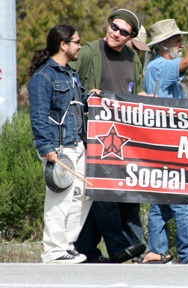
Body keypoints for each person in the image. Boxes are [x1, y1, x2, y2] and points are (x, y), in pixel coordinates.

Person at [70, 9, 147, 263]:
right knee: (103, 191)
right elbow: (65, 80)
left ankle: (86, 249)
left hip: (123, 139)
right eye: (114, 26)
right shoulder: (91, 51)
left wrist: (144, 99)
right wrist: (84, 95)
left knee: (120, 192)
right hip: (93, 136)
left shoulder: (133, 60)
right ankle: (118, 246)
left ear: (131, 37)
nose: (116, 33)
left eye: (124, 31)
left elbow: (135, 91)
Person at [140, 8, 188, 265]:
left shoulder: (156, 66)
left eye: (182, 39)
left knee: (162, 200)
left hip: (166, 142)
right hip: (168, 143)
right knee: (184, 197)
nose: (182, 44)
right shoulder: (160, 65)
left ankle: (155, 251)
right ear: (163, 45)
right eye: (177, 40)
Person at [28, 24, 92, 264]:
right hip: (58, 146)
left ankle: (66, 244)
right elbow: (38, 116)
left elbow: (75, 107)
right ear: (63, 45)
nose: (79, 45)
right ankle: (53, 251)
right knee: (60, 198)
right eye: (76, 41)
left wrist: (89, 98)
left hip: (77, 144)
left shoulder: (71, 74)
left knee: (84, 194)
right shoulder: (43, 77)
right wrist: (47, 149)